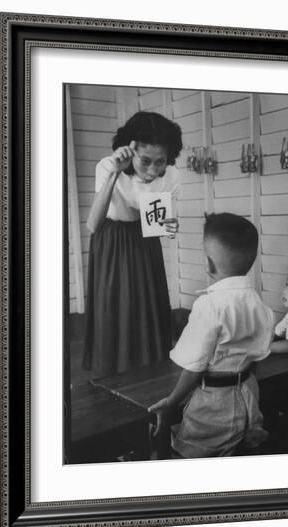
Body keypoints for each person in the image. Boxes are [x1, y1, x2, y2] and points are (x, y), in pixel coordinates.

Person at [148, 213, 274, 458]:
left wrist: (172, 401)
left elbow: (193, 367)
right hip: (249, 394)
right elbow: (258, 355)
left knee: (191, 456)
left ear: (208, 263)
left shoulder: (209, 305)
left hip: (214, 403)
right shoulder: (259, 303)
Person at [82, 111, 183, 378]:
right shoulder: (106, 166)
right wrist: (115, 174)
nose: (153, 171)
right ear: (130, 149)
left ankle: (149, 369)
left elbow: (157, 224)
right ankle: (115, 372)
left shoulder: (171, 175)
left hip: (144, 241)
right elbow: (93, 224)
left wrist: (171, 225)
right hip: (112, 238)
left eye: (160, 162)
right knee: (116, 303)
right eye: (146, 161)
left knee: (146, 302)